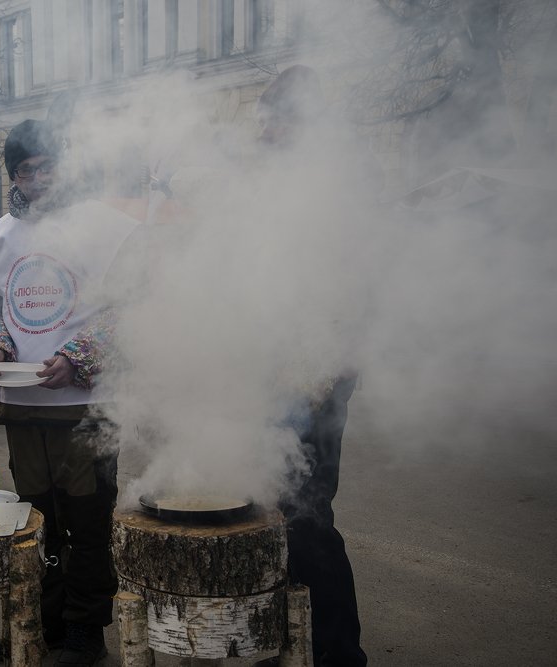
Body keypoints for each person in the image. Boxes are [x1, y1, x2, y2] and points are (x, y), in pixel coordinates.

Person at [0, 119, 139, 666]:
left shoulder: (105, 226)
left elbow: (132, 308)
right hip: (23, 404)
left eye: (48, 166)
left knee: (87, 518)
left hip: (84, 405)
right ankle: (41, 621)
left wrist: (78, 358)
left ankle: (86, 630)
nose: (38, 178)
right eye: (26, 170)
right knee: (33, 517)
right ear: (14, 175)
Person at [254, 65, 370, 667]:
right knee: (273, 517)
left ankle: (337, 653)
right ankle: (287, 642)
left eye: (276, 121)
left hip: (316, 381)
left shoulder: (335, 190)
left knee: (308, 519)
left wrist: (314, 378)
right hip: (272, 374)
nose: (265, 133)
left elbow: (348, 296)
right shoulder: (272, 190)